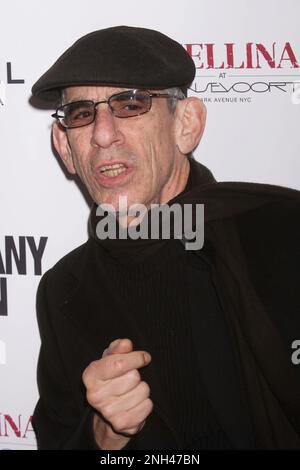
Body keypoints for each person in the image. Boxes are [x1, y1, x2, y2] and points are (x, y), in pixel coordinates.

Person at [31, 25, 300, 450]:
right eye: (82, 113)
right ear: (66, 148)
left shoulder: (282, 232)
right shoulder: (64, 290)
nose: (103, 135)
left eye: (131, 103)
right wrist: (103, 436)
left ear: (186, 124)